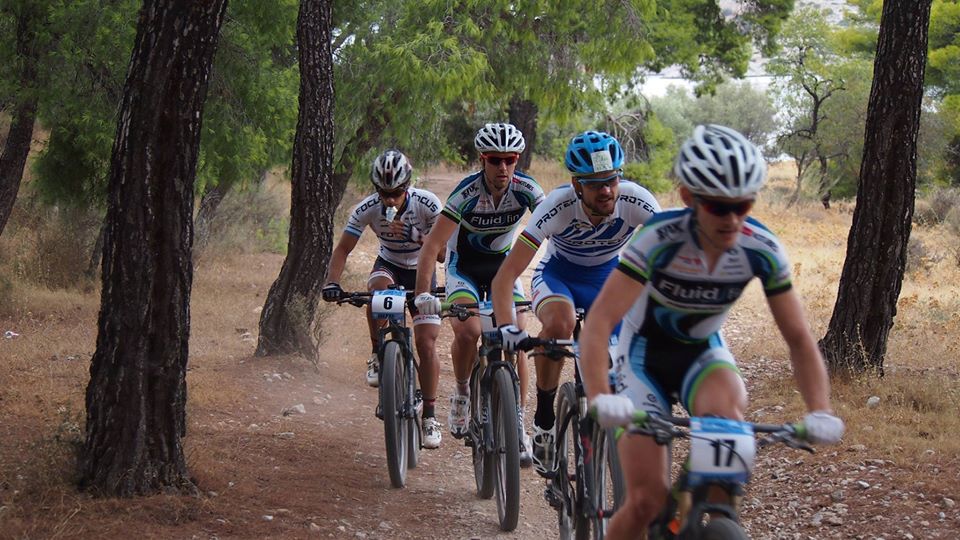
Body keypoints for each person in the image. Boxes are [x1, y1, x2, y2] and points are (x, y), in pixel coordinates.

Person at [579, 124, 845, 538]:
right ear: (689, 198)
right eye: (719, 207)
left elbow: (798, 338)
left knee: (726, 438)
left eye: (743, 205)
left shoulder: (762, 248)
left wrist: (820, 409)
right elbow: (598, 322)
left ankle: (710, 514)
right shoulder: (658, 238)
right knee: (647, 500)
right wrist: (599, 395)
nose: (733, 219)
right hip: (642, 358)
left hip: (703, 354)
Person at [492, 130, 660, 477]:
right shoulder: (557, 205)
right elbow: (505, 277)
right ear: (576, 184)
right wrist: (507, 327)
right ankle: (544, 419)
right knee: (560, 324)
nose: (606, 190)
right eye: (595, 184)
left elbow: (667, 262)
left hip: (606, 279)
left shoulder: (637, 200)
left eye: (611, 180)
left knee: (618, 360)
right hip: (559, 275)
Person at [413, 123, 545, 463]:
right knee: (469, 331)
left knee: (517, 335)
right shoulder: (466, 193)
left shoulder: (527, 189)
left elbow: (552, 230)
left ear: (517, 160)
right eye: (494, 160)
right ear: (482, 160)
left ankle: (518, 423)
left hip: (502, 267)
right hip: (464, 268)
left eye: (509, 160)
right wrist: (423, 295)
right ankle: (461, 391)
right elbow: (432, 246)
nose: (503, 167)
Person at [322, 149, 445, 449]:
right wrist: (332, 282)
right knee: (377, 292)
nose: (390, 200)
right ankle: (378, 353)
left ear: (408, 186)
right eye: (384, 193)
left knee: (426, 344)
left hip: (422, 270)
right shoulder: (367, 208)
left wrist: (415, 235)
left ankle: (429, 415)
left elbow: (442, 254)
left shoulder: (428, 204)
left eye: (396, 193)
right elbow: (342, 249)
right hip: (388, 265)